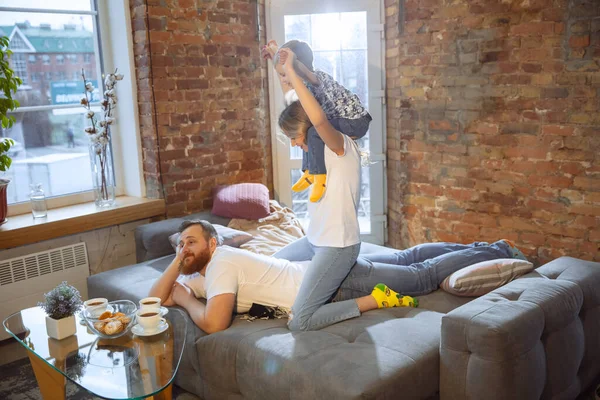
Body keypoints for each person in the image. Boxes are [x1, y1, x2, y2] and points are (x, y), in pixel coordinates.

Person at [148, 220, 526, 334]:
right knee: (409, 258)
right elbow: (153, 300)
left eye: (192, 242)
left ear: (213, 243)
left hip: (333, 283)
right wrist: (178, 263)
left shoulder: (223, 263)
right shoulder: (202, 271)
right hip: (322, 276)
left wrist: (183, 298)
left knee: (421, 276)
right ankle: (482, 244)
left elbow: (213, 323)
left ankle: (498, 249)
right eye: (181, 244)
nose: (186, 248)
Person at [262, 39, 372, 202]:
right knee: (309, 130)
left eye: (286, 74)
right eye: (282, 74)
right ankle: (308, 171)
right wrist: (276, 56)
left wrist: (291, 64)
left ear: (296, 68)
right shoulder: (305, 91)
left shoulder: (317, 78)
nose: (284, 79)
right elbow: (290, 99)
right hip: (341, 120)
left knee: (313, 132)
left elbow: (303, 72)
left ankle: (318, 176)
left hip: (355, 121)